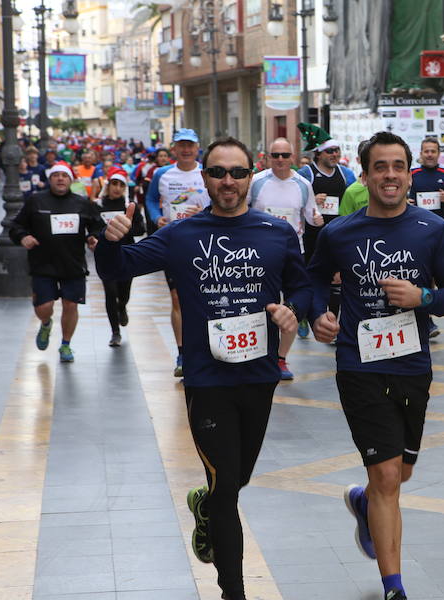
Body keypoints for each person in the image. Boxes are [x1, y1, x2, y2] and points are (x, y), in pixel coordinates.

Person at [96, 136, 311, 600]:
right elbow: (119, 270)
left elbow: (304, 286)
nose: (228, 181)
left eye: (236, 172)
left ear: (250, 175)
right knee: (228, 489)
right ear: (204, 179)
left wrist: (295, 308)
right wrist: (114, 242)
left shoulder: (275, 233)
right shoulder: (181, 234)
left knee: (236, 478)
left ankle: (206, 504)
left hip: (259, 375)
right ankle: (233, 590)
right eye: (218, 173)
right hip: (206, 377)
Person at [308, 131, 444, 600]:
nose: (391, 175)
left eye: (399, 166)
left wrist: (425, 298)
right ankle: (394, 586)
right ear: (366, 173)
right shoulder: (340, 232)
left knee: (399, 474)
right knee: (386, 477)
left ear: (409, 172)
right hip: (359, 363)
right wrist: (318, 313)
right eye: (381, 167)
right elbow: (312, 279)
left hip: (413, 365)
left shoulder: (431, 229)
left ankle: (362, 502)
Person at [9, 161, 103, 362]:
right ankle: (45, 324)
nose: (60, 179)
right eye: (56, 175)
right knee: (44, 307)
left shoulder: (82, 203)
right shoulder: (35, 201)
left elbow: (98, 226)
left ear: (70, 180)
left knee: (71, 305)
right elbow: (16, 226)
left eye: (64, 175)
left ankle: (65, 345)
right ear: (49, 179)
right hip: (42, 264)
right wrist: (23, 237)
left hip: (73, 264)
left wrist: (94, 238)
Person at [249, 137, 323, 379]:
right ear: (268, 157)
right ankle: (258, 354)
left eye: (284, 155)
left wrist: (317, 219)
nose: (280, 160)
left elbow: (312, 215)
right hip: (259, 254)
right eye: (275, 155)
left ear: (292, 156)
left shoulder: (303, 184)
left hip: (293, 253)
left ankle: (281, 359)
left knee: (291, 307)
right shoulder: (257, 182)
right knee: (260, 306)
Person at [145, 129, 210, 378]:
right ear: (174, 149)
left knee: (204, 297)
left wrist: (203, 215)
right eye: (181, 145)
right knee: (176, 298)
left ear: (197, 148)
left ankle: (204, 349)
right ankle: (183, 354)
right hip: (174, 243)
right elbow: (151, 200)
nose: (186, 150)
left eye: (190, 145)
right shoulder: (162, 173)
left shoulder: (205, 172)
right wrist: (156, 217)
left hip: (203, 243)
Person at [297, 123, 356, 337]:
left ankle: (332, 320)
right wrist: (312, 196)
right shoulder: (307, 173)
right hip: (311, 236)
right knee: (306, 279)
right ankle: (303, 315)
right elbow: (296, 198)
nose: (335, 154)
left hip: (336, 236)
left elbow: (352, 199)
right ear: (318, 154)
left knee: (335, 280)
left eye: (337, 150)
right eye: (330, 151)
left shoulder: (346, 174)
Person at [408, 137, 444, 338]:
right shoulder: (412, 174)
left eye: (433, 151)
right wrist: (407, 202)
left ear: (438, 153)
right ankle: (425, 320)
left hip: (440, 235)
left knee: (433, 276)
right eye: (426, 151)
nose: (430, 155)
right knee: (419, 275)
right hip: (414, 233)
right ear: (421, 153)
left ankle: (427, 317)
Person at [94, 167, 144, 347]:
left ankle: (122, 306)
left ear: (125, 188)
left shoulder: (129, 206)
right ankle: (115, 332)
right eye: (114, 184)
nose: (116, 188)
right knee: (110, 292)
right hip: (106, 256)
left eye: (120, 185)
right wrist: (94, 237)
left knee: (123, 292)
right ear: (108, 185)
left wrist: (125, 227)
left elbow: (141, 229)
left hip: (126, 254)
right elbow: (91, 227)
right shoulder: (98, 205)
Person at [339, 140, 371, 217]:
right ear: (358, 160)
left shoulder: (387, 187)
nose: (369, 161)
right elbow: (344, 221)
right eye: (365, 158)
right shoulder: (351, 191)